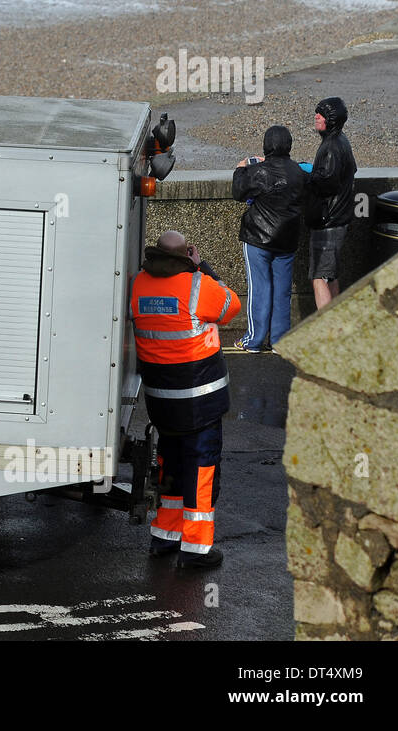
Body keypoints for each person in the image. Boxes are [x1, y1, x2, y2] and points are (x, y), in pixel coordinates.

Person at [130, 230, 242, 570]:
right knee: (201, 468)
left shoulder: (138, 285)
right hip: (200, 400)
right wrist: (202, 265)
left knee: (170, 464)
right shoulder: (197, 285)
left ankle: (164, 536)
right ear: (184, 257)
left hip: (161, 400)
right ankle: (195, 549)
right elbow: (231, 305)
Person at [232, 125, 306, 353]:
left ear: (266, 145)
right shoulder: (299, 172)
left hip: (258, 238)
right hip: (287, 238)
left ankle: (253, 340)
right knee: (282, 290)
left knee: (259, 288)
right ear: (289, 145)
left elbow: (238, 192)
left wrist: (240, 169)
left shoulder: (258, 171)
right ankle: (280, 341)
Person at [306, 97, 356, 309]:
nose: (316, 116)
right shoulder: (341, 141)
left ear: (332, 120)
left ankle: (325, 327)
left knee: (318, 276)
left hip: (328, 221)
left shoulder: (331, 147)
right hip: (339, 218)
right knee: (331, 275)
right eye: (317, 112)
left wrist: (304, 177)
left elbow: (325, 182)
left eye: (322, 114)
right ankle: (336, 320)